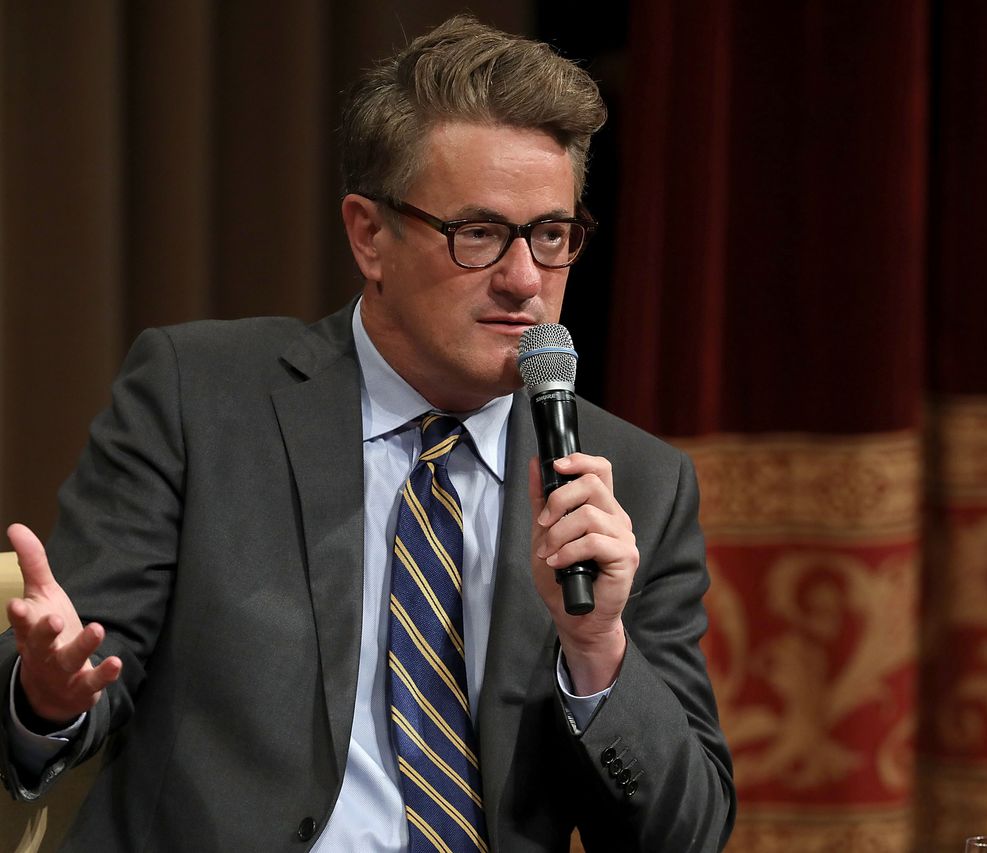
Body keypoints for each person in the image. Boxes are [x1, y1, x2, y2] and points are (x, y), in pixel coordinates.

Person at [0, 15, 734, 852]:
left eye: (552, 236)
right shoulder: (200, 397)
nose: (526, 279)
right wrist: (49, 696)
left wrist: (597, 646)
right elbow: (77, 674)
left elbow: (688, 832)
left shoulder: (633, 484)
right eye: (480, 233)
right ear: (369, 235)